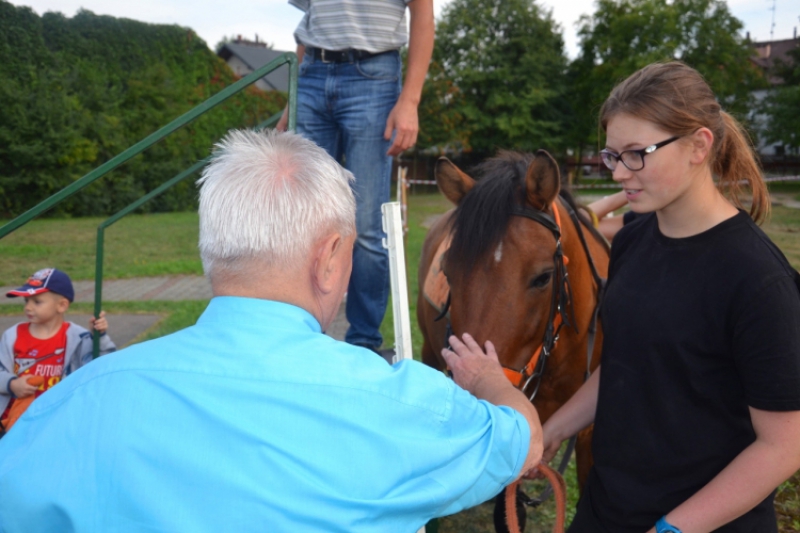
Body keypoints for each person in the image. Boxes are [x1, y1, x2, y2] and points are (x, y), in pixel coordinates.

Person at [0, 130, 542, 532]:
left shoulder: (68, 406)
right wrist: (489, 381)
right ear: (330, 258)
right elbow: (524, 441)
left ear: (213, 250)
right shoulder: (405, 405)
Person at [540, 61, 800, 533]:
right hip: (606, 509)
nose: (619, 173)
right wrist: (554, 429)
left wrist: (672, 528)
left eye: (636, 154)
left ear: (699, 146)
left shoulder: (757, 280)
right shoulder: (635, 239)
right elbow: (624, 362)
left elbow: (784, 446)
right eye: (612, 155)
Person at [277, 0, 435, 355]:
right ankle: (302, 335)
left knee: (365, 225)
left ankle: (364, 343)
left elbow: (423, 15)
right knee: (302, 222)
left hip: (373, 77)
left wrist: (409, 100)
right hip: (312, 74)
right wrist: (292, 101)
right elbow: (311, 18)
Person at [0, 268, 115, 434]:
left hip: (58, 421)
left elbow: (104, 365)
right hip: (16, 423)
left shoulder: (78, 338)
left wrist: (100, 336)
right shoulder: (13, 335)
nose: (28, 308)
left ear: (62, 305)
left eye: (37, 302)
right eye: (26, 301)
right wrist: (12, 384)